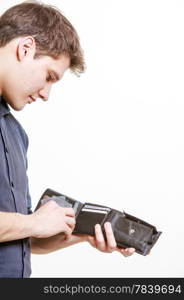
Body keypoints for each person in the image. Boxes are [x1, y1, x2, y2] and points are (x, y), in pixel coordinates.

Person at [0, 1, 135, 278]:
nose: (45, 94)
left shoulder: (16, 134)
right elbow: (30, 225)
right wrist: (33, 223)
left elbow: (22, 237)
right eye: (49, 77)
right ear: (25, 49)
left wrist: (80, 234)